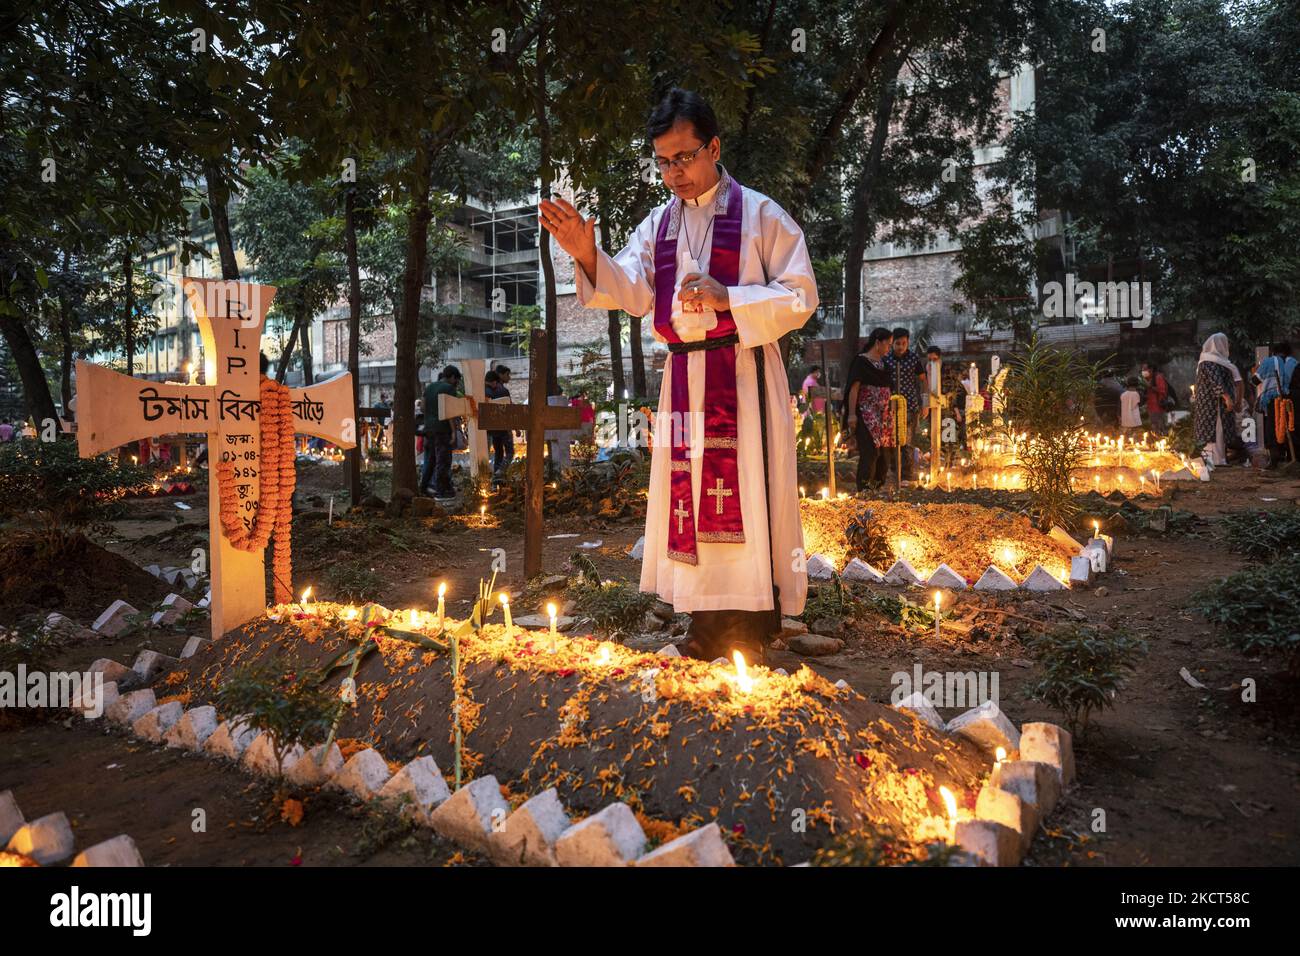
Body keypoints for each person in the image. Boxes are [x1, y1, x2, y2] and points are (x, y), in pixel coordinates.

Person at [540, 86, 818, 663]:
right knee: (692, 501)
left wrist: (731, 297)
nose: (674, 172)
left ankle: (752, 622)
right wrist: (587, 255)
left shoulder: (762, 214)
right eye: (663, 161)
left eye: (685, 156)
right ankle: (706, 623)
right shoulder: (659, 226)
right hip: (685, 379)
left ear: (714, 147)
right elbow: (635, 292)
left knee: (747, 492)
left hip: (742, 373)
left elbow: (801, 296)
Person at [845, 327, 895, 491]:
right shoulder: (861, 361)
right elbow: (854, 388)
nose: (889, 348)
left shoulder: (884, 364)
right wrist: (852, 414)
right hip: (866, 414)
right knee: (870, 453)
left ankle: (877, 488)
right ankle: (865, 490)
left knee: (885, 455)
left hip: (884, 417)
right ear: (877, 342)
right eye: (888, 344)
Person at [882, 328, 927, 482]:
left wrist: (925, 403)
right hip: (890, 405)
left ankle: (907, 475)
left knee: (907, 441)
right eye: (897, 343)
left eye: (904, 343)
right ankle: (895, 473)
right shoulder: (885, 359)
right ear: (892, 343)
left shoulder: (914, 358)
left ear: (908, 343)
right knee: (892, 440)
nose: (901, 347)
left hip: (910, 405)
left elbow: (923, 380)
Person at [1194, 333, 1244, 466]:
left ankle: (1219, 459)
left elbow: (1239, 382)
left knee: (1220, 430)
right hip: (1211, 404)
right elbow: (1216, 382)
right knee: (1214, 430)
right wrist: (1227, 398)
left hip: (1221, 403)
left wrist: (1237, 401)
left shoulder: (1224, 363)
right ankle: (1215, 460)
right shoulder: (1208, 362)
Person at [421, 366, 462, 498]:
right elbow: (450, 413)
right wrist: (454, 432)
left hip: (429, 429)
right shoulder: (449, 389)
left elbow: (422, 407)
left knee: (431, 460)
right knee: (443, 460)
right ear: (453, 377)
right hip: (442, 429)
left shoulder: (430, 387)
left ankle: (423, 487)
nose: (456, 383)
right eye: (457, 380)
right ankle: (442, 490)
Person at [1255, 342, 1295, 466]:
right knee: (1285, 426)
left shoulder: (1269, 361)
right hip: (1286, 399)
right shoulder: (1291, 363)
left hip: (1272, 399)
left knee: (1272, 428)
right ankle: (1286, 456)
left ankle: (1274, 459)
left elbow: (1255, 380)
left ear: (1273, 351)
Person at [484, 369, 513, 482]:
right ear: (494, 381)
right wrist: (513, 427)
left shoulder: (482, 391)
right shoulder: (503, 391)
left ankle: (497, 478)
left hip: (490, 429)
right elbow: (509, 410)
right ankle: (500, 472)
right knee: (510, 452)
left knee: (498, 453)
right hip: (503, 428)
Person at [1141, 360, 1171, 434]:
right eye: (1142, 369)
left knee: (1159, 425)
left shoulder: (1158, 377)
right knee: (1154, 425)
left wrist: (1149, 386)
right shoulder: (1149, 378)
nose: (1143, 371)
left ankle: (1163, 439)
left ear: (1151, 369)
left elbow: (1162, 390)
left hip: (1158, 406)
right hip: (1151, 406)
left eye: (1144, 369)